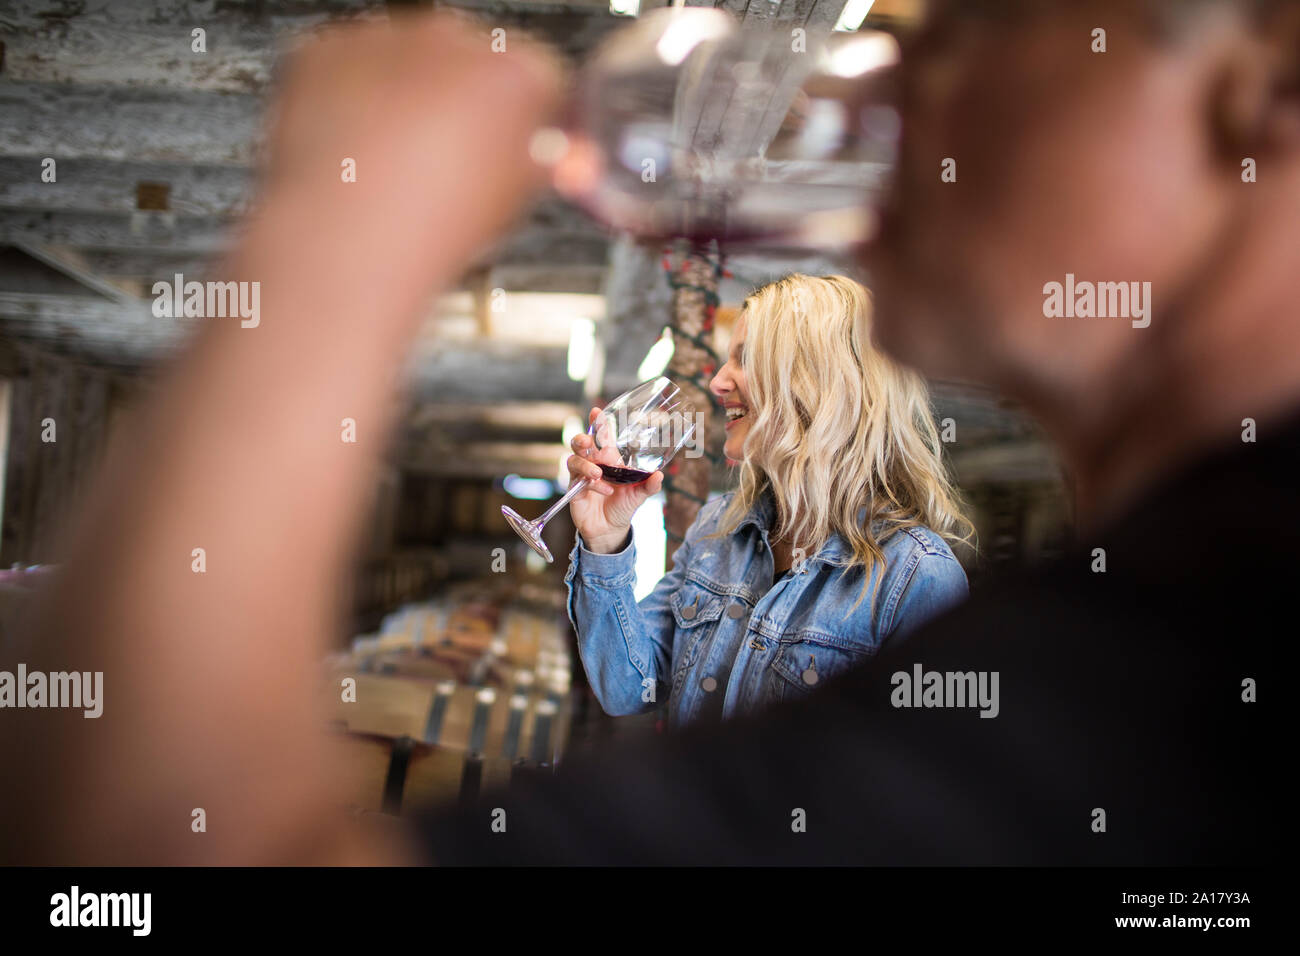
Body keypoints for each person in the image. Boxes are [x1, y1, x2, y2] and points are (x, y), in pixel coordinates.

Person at [0, 0, 1289, 865]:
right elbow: (630, 696)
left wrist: (348, 214)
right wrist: (609, 548)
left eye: (963, 36)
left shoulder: (1098, 618)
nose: (900, 87)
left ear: (1266, 86)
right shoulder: (750, 536)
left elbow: (145, 858)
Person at [563, 273, 970, 726]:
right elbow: (628, 687)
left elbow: (924, 781)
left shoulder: (917, 577)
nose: (718, 382)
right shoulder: (718, 527)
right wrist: (605, 539)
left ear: (821, 380)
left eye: (746, 360)